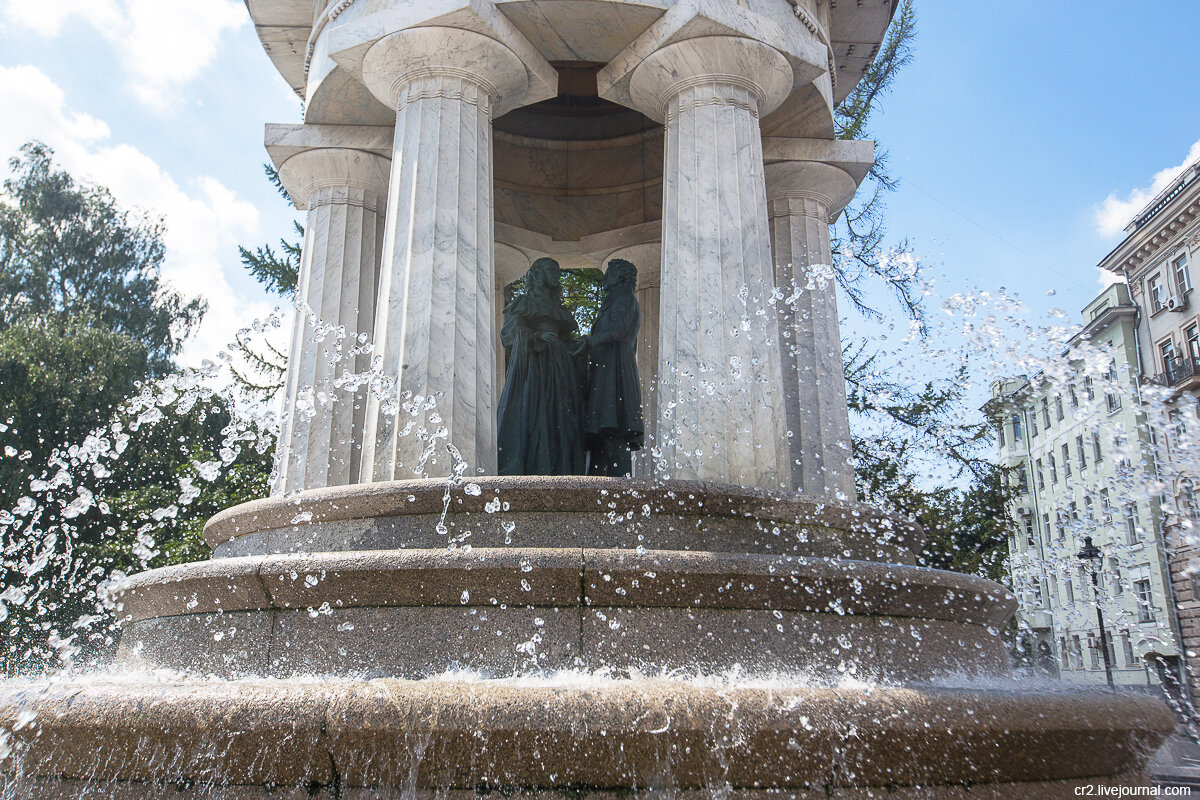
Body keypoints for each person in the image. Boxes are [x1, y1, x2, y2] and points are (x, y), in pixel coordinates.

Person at [497, 258, 586, 475]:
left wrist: (579, 346)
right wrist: (537, 337)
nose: (555, 273)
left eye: (557, 270)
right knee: (535, 413)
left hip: (560, 368)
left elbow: (565, 339)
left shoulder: (559, 308)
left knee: (561, 416)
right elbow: (509, 335)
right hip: (535, 367)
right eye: (550, 269)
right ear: (538, 274)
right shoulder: (524, 303)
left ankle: (559, 466)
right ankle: (534, 465)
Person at [575, 259, 644, 476]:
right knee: (602, 432)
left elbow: (617, 330)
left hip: (615, 371)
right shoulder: (614, 300)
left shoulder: (624, 299)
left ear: (621, 276)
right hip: (606, 369)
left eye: (610, 273)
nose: (605, 278)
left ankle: (621, 491)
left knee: (613, 426)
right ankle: (596, 489)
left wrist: (589, 340)